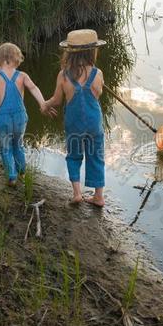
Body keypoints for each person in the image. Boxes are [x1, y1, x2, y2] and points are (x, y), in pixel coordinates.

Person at [42, 29, 106, 206]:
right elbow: (98, 94)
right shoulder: (98, 74)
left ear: (69, 53)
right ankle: (99, 196)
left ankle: (77, 193)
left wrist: (45, 105)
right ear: (92, 51)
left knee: (74, 156)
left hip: (74, 124)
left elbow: (56, 100)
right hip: (94, 123)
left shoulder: (63, 75)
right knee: (96, 156)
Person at [0, 43, 53, 186]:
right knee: (18, 144)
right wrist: (43, 103)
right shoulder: (22, 76)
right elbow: (34, 88)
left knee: (5, 147)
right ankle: (22, 172)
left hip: (3, 117)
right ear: (17, 59)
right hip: (20, 117)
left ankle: (12, 176)